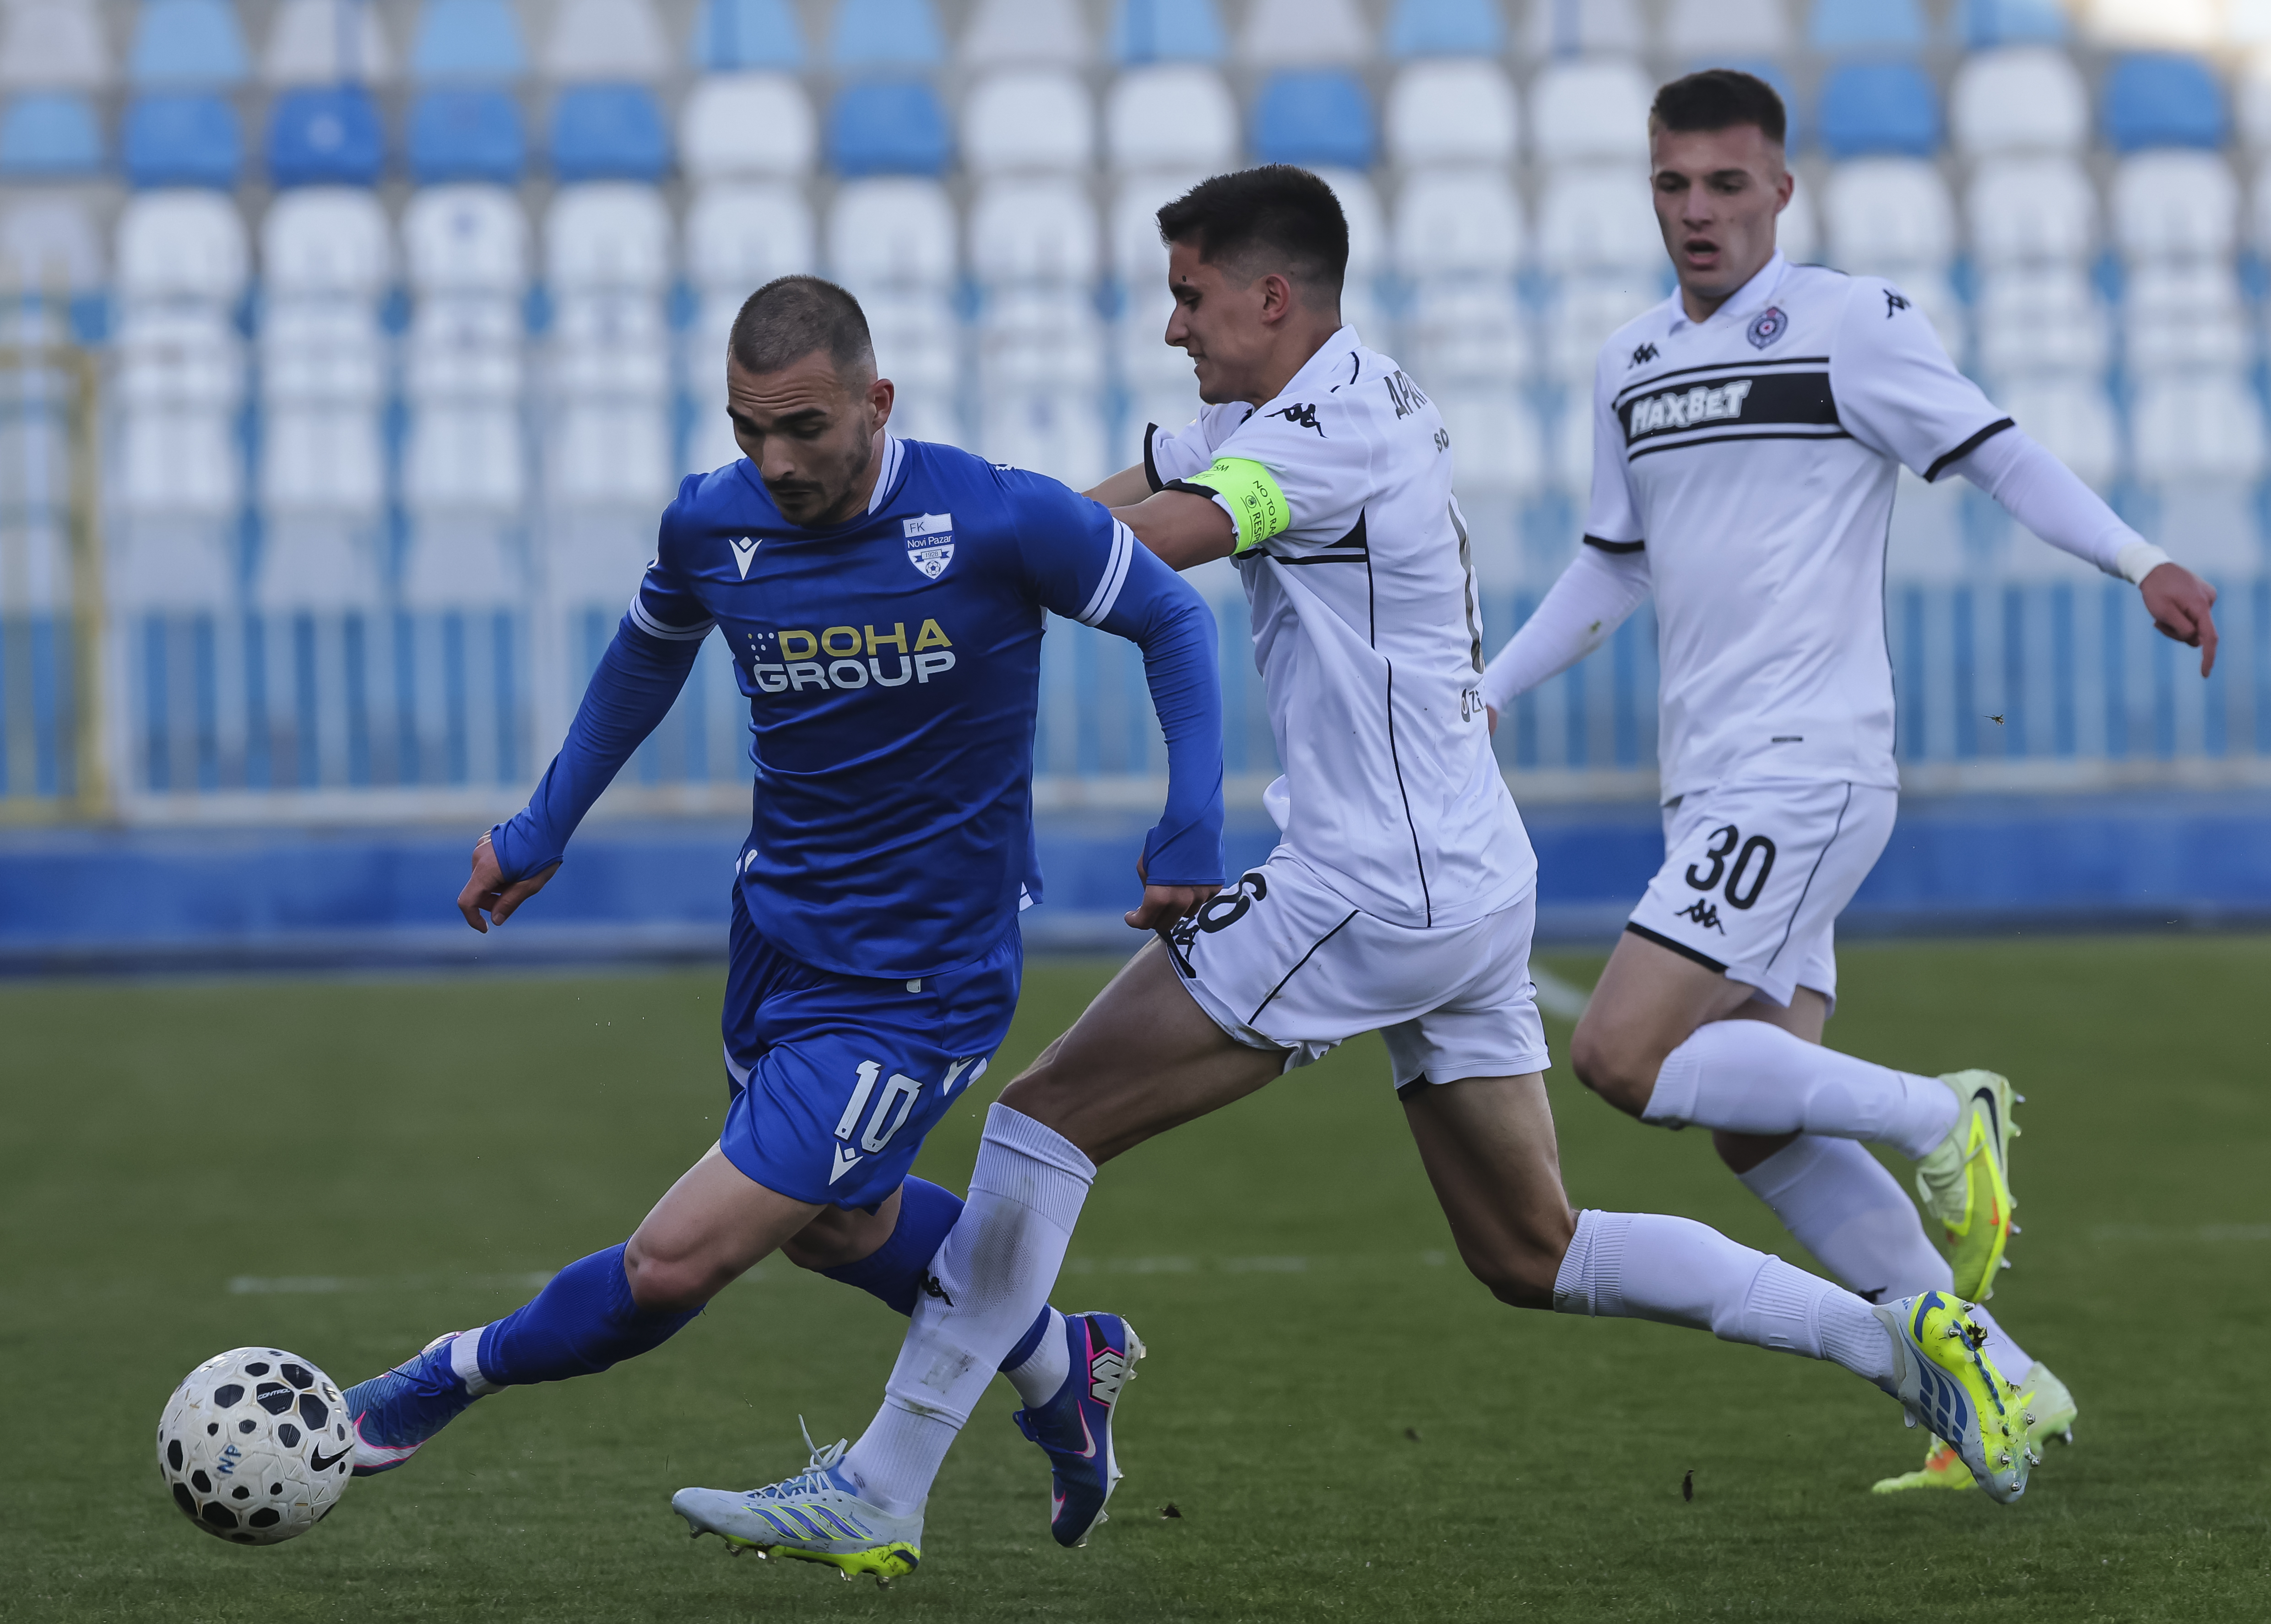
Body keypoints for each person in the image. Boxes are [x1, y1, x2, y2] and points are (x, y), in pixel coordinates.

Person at [670, 167, 2041, 1580]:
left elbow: (1148, 546)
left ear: (1271, 297)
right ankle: (1904, 1340)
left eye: (1190, 298)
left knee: (1045, 1118)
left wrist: (909, 564)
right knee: (1529, 1248)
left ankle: (884, 1484)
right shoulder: (1285, 398)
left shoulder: (1320, 439)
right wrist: (932, 536)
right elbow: (1094, 500)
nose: (1172, 327)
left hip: (1370, 883)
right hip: (1459, 873)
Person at [336, 276, 1230, 1579]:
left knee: (673, 1261)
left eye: (805, 427)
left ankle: (434, 1381)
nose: (777, 462)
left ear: (877, 403)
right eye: (749, 430)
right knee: (837, 1228)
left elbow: (1171, 616)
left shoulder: (997, 515)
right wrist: (541, 824)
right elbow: (647, 654)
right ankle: (1061, 1358)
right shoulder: (712, 521)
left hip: (920, 982)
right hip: (777, 942)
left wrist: (1191, 821)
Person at [1476, 70, 2217, 1494]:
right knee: (1757, 1121)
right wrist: (1488, 690)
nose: (1696, 211)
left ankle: (1943, 1114)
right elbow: (1610, 568)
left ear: (1779, 190)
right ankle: (1991, 1382)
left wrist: (2138, 559)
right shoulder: (1630, 362)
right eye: (1672, 184)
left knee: (1619, 1056)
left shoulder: (1848, 324)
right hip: (1709, 780)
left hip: (1807, 766)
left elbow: (1996, 455)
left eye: (1725, 184)